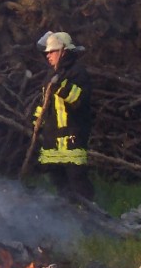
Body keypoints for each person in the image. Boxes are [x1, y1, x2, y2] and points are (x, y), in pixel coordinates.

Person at [33, 31, 95, 203]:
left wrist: (59, 87)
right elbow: (44, 104)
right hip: (52, 137)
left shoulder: (77, 73)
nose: (48, 55)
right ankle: (66, 212)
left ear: (64, 52)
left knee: (77, 179)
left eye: (52, 52)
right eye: (47, 52)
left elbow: (77, 99)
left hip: (72, 136)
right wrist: (36, 121)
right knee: (58, 180)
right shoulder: (51, 75)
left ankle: (87, 213)